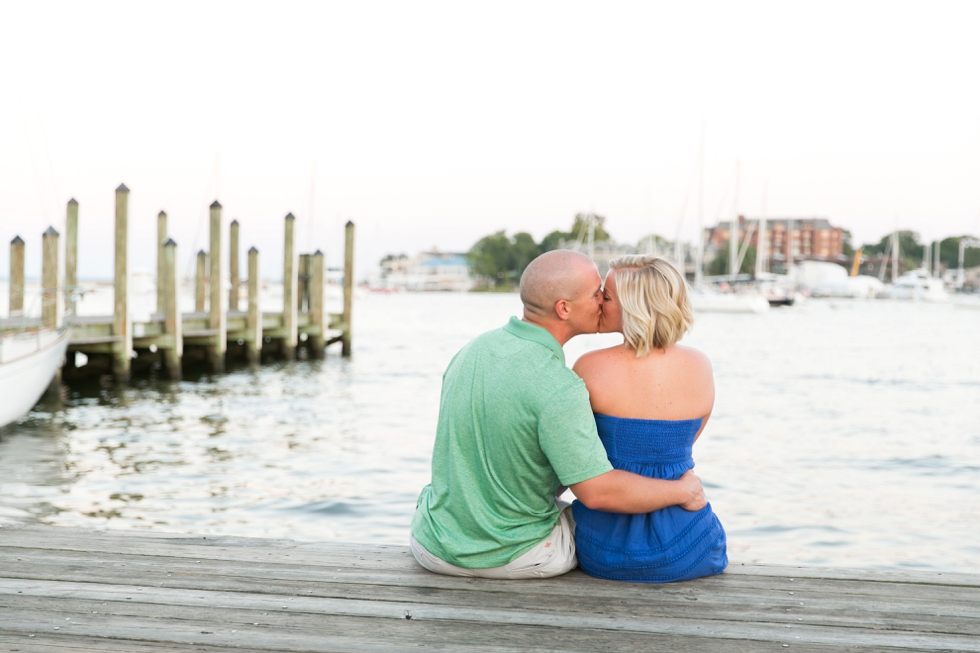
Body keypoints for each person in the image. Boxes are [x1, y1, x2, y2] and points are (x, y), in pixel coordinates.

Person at [410, 249, 706, 579]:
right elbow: (597, 493)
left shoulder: (472, 350)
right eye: (598, 295)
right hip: (517, 557)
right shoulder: (560, 385)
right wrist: (684, 491)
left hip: (432, 545)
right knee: (604, 529)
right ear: (564, 308)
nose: (601, 302)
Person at [571, 255, 727, 583]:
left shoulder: (590, 367)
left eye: (607, 296)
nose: (599, 300)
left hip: (608, 547)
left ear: (634, 307)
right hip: (695, 543)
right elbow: (677, 448)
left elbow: (575, 459)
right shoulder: (700, 365)